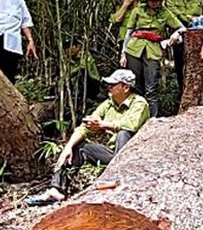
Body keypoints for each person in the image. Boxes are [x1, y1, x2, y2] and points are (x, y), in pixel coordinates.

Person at [27, 69, 150, 205]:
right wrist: (67, 148)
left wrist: (103, 125)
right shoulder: (108, 104)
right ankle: (56, 190)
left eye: (113, 84)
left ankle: (118, 178)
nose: (109, 87)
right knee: (78, 148)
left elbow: (131, 125)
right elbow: (86, 126)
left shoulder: (139, 103)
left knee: (123, 133)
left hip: (133, 157)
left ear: (126, 87)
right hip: (113, 155)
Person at [120, 0, 184, 117]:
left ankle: (152, 120)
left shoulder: (165, 12)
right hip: (134, 49)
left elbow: (181, 27)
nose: (155, 3)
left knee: (151, 87)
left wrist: (175, 34)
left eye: (158, 0)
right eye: (152, 0)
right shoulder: (138, 11)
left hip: (153, 50)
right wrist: (123, 53)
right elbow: (129, 32)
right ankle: (135, 118)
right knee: (135, 86)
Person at [165, 0, 203, 94]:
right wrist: (189, 18)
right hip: (180, 33)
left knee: (198, 64)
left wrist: (202, 18)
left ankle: (199, 92)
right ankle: (182, 92)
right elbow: (171, 11)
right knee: (181, 65)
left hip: (198, 35)